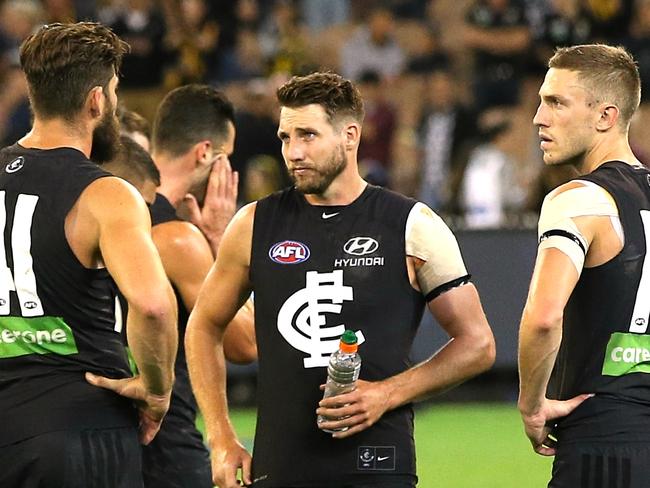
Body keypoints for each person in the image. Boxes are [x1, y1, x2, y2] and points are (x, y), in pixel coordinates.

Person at [186, 71, 496, 488]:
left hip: (378, 465)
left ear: (350, 135)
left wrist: (387, 393)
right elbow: (203, 326)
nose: (293, 152)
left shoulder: (411, 224)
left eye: (308, 135)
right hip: (280, 466)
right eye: (285, 137)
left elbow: (478, 344)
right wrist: (221, 435)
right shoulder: (254, 225)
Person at [0, 22, 178, 487]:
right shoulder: (105, 194)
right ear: (96, 101)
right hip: (82, 429)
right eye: (115, 92)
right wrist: (156, 391)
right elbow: (153, 305)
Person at [518, 44, 650, 487]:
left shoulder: (578, 198)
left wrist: (531, 405)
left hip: (603, 442)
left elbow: (542, 318)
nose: (539, 117)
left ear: (606, 117)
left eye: (556, 102)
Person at [141, 84, 256, 488]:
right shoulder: (177, 238)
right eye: (227, 158)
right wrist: (222, 244)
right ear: (205, 153)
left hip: (101, 441)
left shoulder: (108, 213)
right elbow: (246, 344)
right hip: (166, 447)